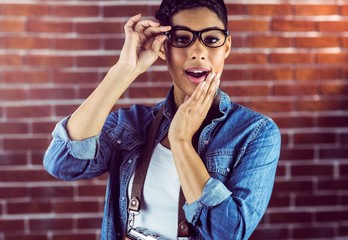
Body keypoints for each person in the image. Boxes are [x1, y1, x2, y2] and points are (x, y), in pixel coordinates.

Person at [43, 0, 281, 239]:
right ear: (162, 48)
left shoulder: (255, 133)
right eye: (181, 39)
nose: (198, 52)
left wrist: (181, 141)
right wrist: (125, 70)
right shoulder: (132, 124)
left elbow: (228, 233)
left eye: (211, 40)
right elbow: (63, 163)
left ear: (227, 46)